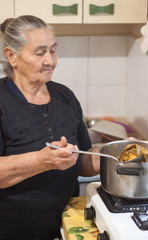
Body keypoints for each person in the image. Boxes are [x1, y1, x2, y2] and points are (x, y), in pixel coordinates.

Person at [0, 15, 100, 240]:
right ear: (12, 56)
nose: (50, 61)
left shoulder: (65, 96)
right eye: (40, 53)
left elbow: (82, 160)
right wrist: (41, 161)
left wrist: (107, 157)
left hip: (66, 226)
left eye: (53, 51)